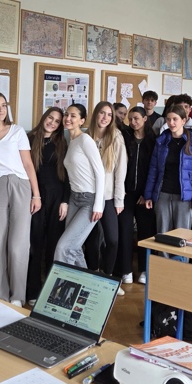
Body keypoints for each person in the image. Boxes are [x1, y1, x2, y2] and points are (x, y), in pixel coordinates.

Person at [0, 92, 41, 306]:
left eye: (4, 105)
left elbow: (28, 164)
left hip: (20, 186)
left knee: (17, 245)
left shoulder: (17, 131)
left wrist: (36, 194)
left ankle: (18, 296)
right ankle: (0, 295)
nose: (1, 109)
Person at [26, 107, 70, 305]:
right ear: (44, 117)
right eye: (50, 118)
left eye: (57, 121)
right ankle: (33, 290)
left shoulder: (61, 143)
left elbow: (67, 175)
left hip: (56, 197)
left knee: (53, 245)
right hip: (35, 197)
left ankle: (52, 292)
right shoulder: (29, 139)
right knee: (35, 244)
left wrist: (65, 201)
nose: (52, 122)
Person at [53, 104, 106, 269]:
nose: (68, 118)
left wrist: (98, 205)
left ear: (82, 121)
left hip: (89, 201)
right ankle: (85, 283)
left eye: (73, 116)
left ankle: (62, 283)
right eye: (66, 114)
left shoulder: (85, 140)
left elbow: (100, 173)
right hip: (74, 198)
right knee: (74, 248)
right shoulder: (71, 141)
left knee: (63, 247)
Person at [85, 102, 127, 291]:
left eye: (109, 115)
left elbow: (120, 171)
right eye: (102, 113)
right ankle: (93, 274)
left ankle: (107, 276)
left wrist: (119, 199)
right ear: (96, 114)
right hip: (88, 196)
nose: (105, 118)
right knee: (91, 240)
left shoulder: (116, 137)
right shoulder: (86, 136)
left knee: (112, 240)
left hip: (108, 197)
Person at [144, 106, 192, 233]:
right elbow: (153, 170)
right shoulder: (161, 141)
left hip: (184, 196)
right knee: (162, 232)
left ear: (184, 120)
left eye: (175, 119)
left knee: (181, 234)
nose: (171, 123)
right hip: (163, 194)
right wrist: (148, 195)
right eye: (168, 119)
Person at [117, 106, 157, 285]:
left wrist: (147, 193)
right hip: (125, 193)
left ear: (145, 119)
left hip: (145, 195)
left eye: (136, 119)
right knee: (124, 231)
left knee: (146, 232)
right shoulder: (124, 137)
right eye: (130, 119)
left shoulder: (153, 140)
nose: (133, 122)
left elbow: (155, 170)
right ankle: (125, 269)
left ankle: (144, 269)